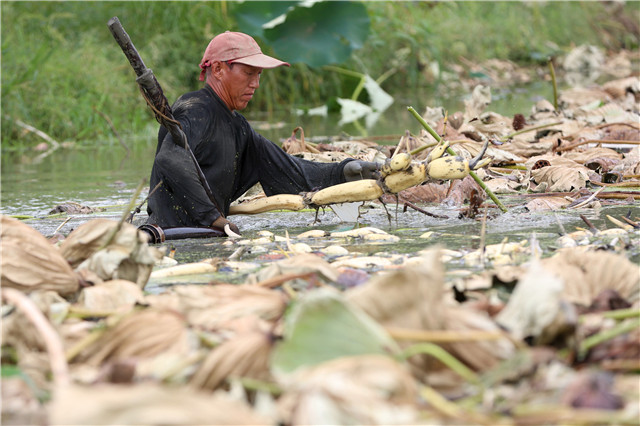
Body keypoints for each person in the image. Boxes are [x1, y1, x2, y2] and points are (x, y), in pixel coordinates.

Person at [146, 31, 379, 235]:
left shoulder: (239, 127)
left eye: (259, 74)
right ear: (218, 69)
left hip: (208, 234)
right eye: (248, 73)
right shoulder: (195, 108)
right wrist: (212, 218)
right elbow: (171, 158)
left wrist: (343, 171)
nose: (256, 84)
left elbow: (291, 171)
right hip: (170, 235)